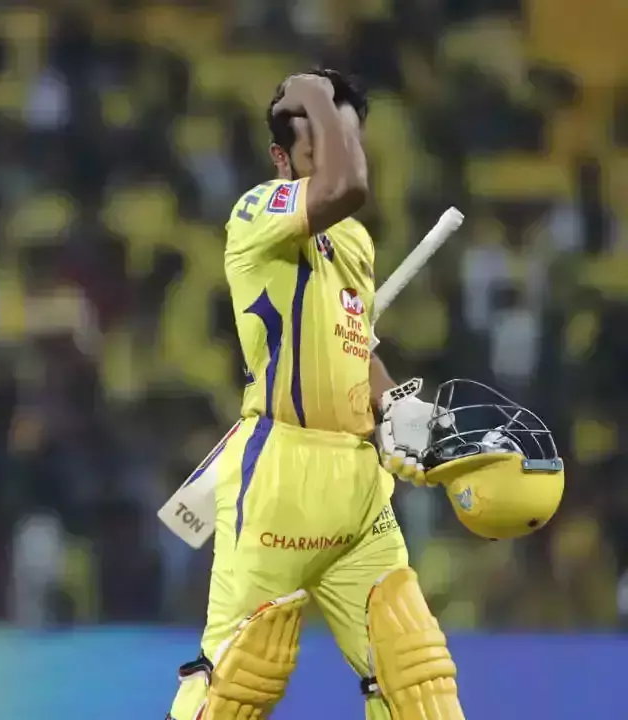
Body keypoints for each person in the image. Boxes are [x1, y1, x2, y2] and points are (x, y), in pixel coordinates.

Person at [165, 70, 464, 720]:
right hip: (281, 474)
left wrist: (394, 404)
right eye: (320, 145)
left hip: (358, 482)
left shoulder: (355, 239)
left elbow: (353, 341)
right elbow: (346, 184)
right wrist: (316, 93)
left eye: (349, 141)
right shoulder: (256, 212)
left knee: (415, 675)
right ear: (281, 159)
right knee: (235, 684)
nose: (343, 156)